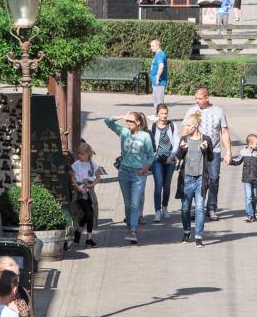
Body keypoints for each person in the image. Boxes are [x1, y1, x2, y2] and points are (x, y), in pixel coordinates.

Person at [105, 111, 154, 244]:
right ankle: (129, 226)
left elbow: (151, 155)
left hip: (138, 174)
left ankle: (133, 230)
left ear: (138, 122)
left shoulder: (145, 136)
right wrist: (121, 116)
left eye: (131, 121)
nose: (128, 123)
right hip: (124, 173)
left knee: (134, 204)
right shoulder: (124, 132)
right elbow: (107, 121)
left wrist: (145, 169)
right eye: (127, 121)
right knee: (127, 203)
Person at [183, 87, 232, 220]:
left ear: (207, 98)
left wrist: (228, 152)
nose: (197, 101)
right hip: (195, 152)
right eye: (196, 98)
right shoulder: (192, 111)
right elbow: (185, 131)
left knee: (214, 179)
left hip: (214, 151)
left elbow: (224, 132)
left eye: (200, 98)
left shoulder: (219, 112)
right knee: (197, 180)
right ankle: (198, 208)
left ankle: (211, 208)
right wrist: (183, 149)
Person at [175, 112, 214, 247]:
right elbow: (178, 157)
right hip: (186, 178)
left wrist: (205, 150)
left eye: (189, 125)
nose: (186, 127)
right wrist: (181, 150)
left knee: (199, 208)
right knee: (185, 208)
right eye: (186, 125)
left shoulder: (206, 139)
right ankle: (186, 231)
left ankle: (198, 236)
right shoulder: (184, 139)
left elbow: (211, 158)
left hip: (200, 179)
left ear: (196, 125)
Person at [229, 133, 257, 222]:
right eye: (256, 143)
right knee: (248, 197)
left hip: (256, 178)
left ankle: (253, 214)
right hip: (246, 178)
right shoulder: (243, 152)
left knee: (254, 197)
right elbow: (238, 161)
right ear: (250, 144)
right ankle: (249, 214)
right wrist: (230, 161)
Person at [150, 104, 179, 222]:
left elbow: (176, 142)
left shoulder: (172, 126)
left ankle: (165, 207)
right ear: (157, 114)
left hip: (170, 159)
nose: (164, 116)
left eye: (165, 113)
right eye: (161, 113)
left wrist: (172, 156)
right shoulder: (152, 127)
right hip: (157, 159)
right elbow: (150, 144)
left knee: (167, 185)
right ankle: (157, 211)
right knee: (158, 185)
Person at [71, 141, 101, 248]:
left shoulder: (93, 164)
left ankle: (86, 238)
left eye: (82, 154)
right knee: (88, 214)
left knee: (90, 215)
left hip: (90, 193)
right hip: (80, 193)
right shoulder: (76, 164)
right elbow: (73, 179)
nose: (80, 156)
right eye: (79, 154)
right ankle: (84, 237)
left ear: (88, 154)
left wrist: (91, 184)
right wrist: (78, 187)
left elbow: (98, 178)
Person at [149, 38, 168, 107]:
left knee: (159, 102)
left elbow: (161, 66)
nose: (151, 48)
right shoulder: (157, 54)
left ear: (157, 46)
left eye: (152, 46)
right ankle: (156, 113)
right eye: (151, 46)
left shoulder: (160, 54)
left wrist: (157, 77)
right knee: (156, 100)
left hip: (159, 82)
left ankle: (159, 113)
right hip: (156, 81)